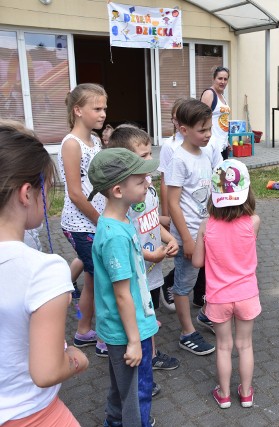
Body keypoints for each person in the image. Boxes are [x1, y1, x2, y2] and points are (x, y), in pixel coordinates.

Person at [0, 123, 89, 426]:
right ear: (27, 193)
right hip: (32, 415)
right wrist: (76, 357)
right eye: (47, 189)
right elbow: (47, 371)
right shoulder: (44, 270)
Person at [88, 148, 160, 427]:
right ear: (118, 190)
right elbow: (121, 294)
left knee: (122, 389)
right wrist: (133, 340)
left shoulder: (122, 221)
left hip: (131, 325)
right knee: (136, 393)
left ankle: (114, 422)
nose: (148, 184)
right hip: (126, 332)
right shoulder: (114, 235)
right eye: (141, 181)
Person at [108, 126, 181, 390]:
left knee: (150, 316)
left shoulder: (146, 189)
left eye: (151, 152)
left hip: (153, 270)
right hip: (139, 269)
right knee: (138, 319)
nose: (150, 160)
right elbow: (128, 238)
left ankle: (151, 353)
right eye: (143, 155)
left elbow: (151, 225)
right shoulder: (127, 197)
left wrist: (169, 238)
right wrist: (151, 254)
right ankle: (142, 369)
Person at [192, 159, 261, 409]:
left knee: (223, 347)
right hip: (246, 295)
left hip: (219, 297)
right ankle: (245, 393)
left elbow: (198, 261)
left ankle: (223, 394)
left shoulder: (206, 225)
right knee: (245, 345)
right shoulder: (253, 222)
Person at [165, 98, 221, 356]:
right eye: (202, 130)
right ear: (183, 130)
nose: (208, 134)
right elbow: (173, 203)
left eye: (209, 128)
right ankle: (187, 333)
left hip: (207, 232)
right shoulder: (179, 159)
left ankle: (206, 315)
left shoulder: (205, 153)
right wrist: (186, 239)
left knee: (209, 277)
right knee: (184, 284)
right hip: (188, 235)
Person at [58, 83, 109, 357]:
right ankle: (104, 338)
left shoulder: (96, 141)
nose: (102, 114)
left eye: (104, 108)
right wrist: (102, 221)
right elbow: (76, 194)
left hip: (95, 220)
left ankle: (83, 330)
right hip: (82, 225)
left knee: (92, 278)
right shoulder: (71, 144)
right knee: (105, 281)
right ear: (78, 110)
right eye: (97, 108)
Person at [158, 98, 186, 313]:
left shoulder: (203, 143)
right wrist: (165, 213)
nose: (177, 122)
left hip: (196, 208)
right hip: (178, 208)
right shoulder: (170, 145)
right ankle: (171, 283)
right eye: (174, 119)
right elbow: (165, 181)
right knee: (183, 252)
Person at [200, 65, 231, 160]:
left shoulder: (222, 96)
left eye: (225, 79)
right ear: (214, 78)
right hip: (212, 145)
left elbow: (222, 120)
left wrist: (227, 141)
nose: (223, 82)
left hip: (223, 144)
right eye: (220, 78)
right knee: (214, 174)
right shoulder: (209, 94)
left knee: (222, 174)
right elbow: (201, 119)